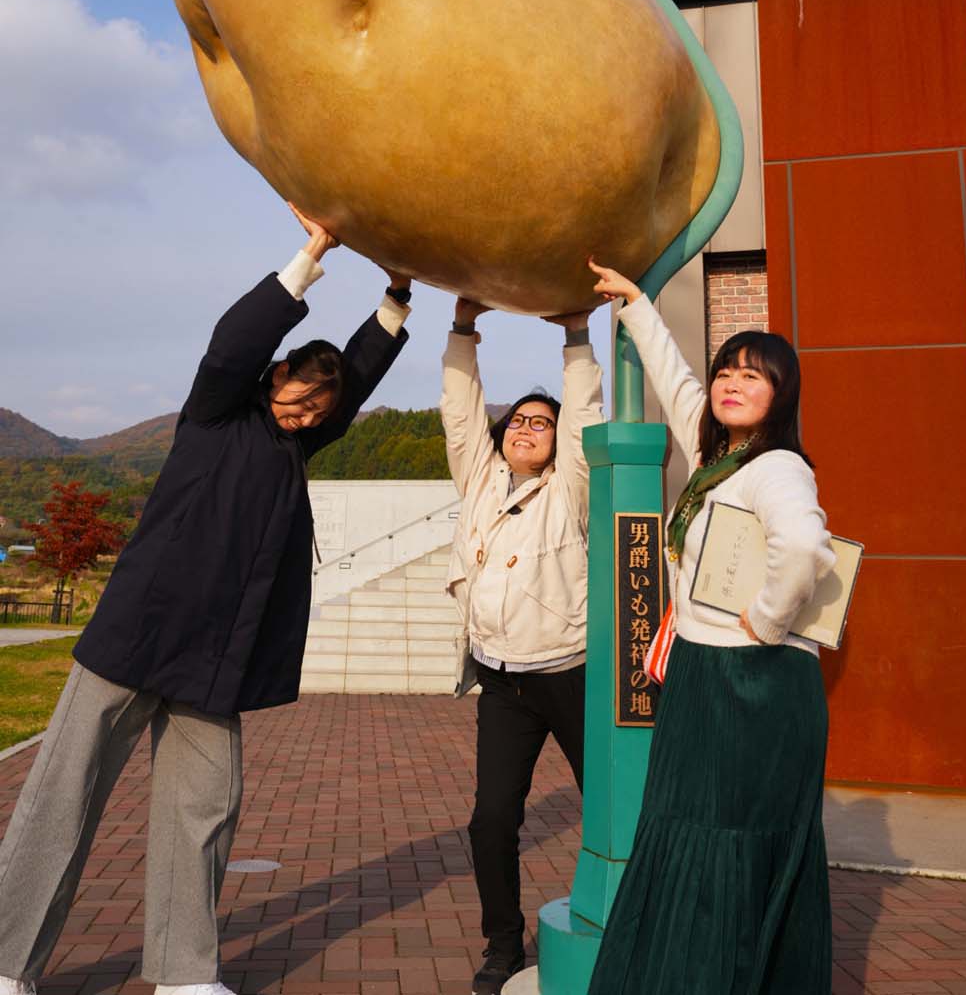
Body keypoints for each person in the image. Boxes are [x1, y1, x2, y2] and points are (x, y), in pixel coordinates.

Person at [0, 206, 412, 995]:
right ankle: (8, 961)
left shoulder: (298, 443)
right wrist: (312, 254)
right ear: (275, 375)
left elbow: (353, 376)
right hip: (138, 635)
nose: (303, 413)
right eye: (296, 396)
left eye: (318, 411)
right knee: (62, 796)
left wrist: (396, 296)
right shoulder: (220, 408)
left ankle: (185, 972)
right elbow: (234, 342)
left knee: (204, 813)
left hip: (219, 657)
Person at [585, 258, 836, 995]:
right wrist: (637, 307)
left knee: (723, 844)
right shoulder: (718, 460)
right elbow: (679, 383)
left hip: (750, 684)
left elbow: (806, 549)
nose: (731, 384)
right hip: (705, 674)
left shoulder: (777, 467)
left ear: (780, 396)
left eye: (753, 377)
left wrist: (764, 620)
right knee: (688, 833)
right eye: (729, 370)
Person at [441, 298, 604, 995]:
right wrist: (462, 329)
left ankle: (631, 915)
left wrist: (575, 336)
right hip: (502, 684)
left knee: (613, 803)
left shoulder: (570, 489)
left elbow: (585, 416)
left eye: (543, 423)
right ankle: (503, 944)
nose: (527, 429)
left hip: (569, 677)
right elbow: (458, 411)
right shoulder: (479, 483)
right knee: (491, 822)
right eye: (518, 421)